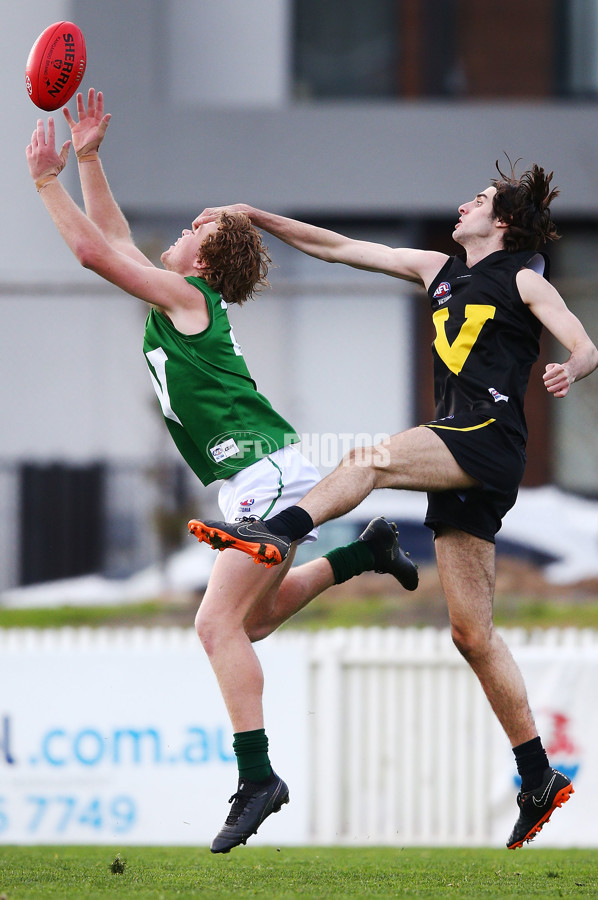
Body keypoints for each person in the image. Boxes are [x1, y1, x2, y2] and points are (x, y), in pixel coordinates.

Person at [25, 89, 418, 854]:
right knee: (254, 622)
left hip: (265, 475)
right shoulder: (184, 299)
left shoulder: (188, 296)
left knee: (214, 625)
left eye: (190, 230)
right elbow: (116, 237)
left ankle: (257, 778)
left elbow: (94, 253)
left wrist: (48, 181)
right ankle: (362, 553)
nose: (176, 235)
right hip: (266, 474)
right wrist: (93, 157)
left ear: (201, 258)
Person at [188, 162, 598, 849]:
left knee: (368, 459)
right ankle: (538, 776)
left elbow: (581, 339)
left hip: (486, 437)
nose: (464, 203)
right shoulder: (435, 268)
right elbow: (340, 247)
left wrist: (573, 365)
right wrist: (257, 215)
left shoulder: (523, 274)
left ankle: (276, 531)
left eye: (480, 199)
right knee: (472, 635)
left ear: (499, 223)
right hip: (464, 458)